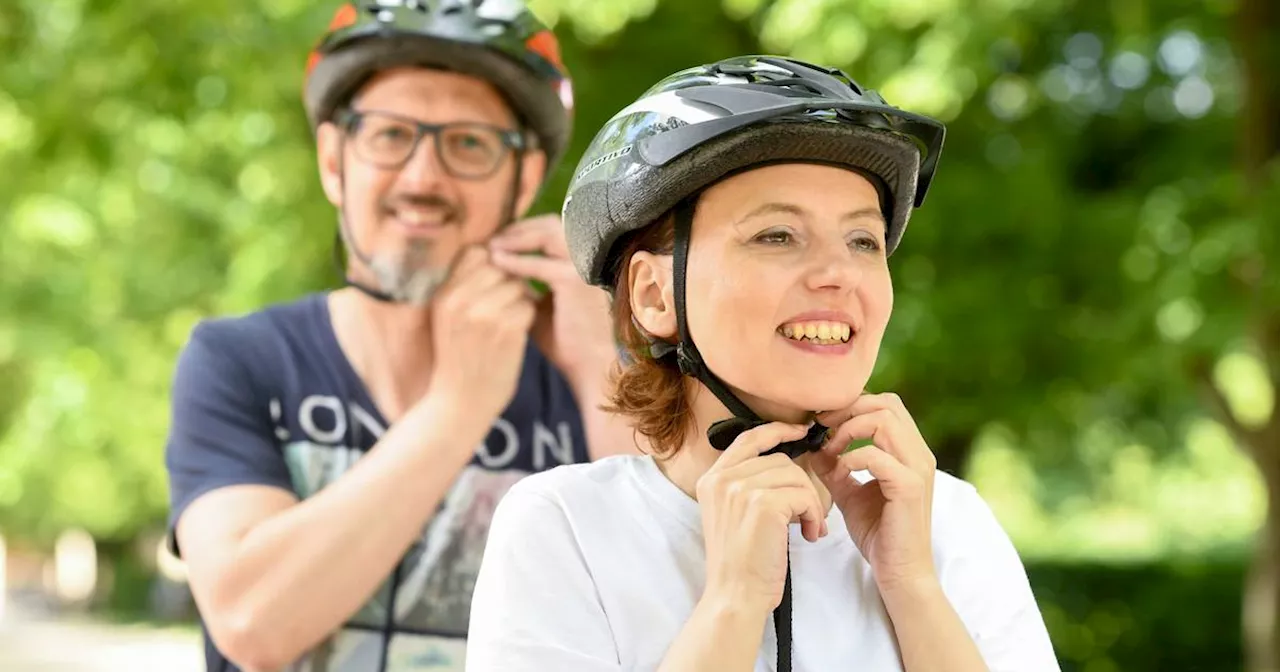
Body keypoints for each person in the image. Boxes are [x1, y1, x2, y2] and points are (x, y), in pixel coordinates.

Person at [464, 55, 1062, 671]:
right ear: (654, 294)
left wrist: (912, 584)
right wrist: (733, 602)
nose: (839, 274)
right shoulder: (565, 528)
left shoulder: (948, 521)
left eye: (863, 241)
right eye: (777, 235)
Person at [162, 2, 636, 671]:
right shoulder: (239, 359)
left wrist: (597, 360)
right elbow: (251, 624)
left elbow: (671, 608)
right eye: (389, 136)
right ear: (333, 161)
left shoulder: (583, 371)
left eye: (469, 143)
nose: (422, 179)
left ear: (524, 178)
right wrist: (457, 407)